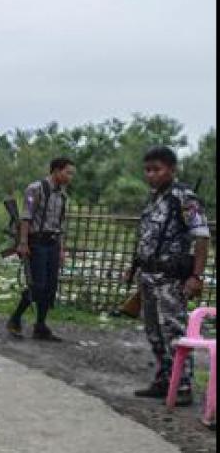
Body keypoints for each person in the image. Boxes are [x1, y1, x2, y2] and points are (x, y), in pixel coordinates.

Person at [123, 146, 210, 406]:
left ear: (172, 170)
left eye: (157, 170)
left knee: (174, 331)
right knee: (153, 332)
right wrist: (134, 265)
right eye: (147, 170)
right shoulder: (154, 198)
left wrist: (196, 275)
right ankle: (164, 380)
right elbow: (147, 236)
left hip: (171, 278)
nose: (151, 175)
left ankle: (182, 386)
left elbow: (202, 237)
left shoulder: (184, 197)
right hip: (148, 275)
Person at [6, 157, 76, 341]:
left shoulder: (62, 195)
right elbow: (26, 217)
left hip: (52, 243)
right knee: (37, 285)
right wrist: (23, 243)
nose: (70, 177)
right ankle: (15, 318)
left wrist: (61, 249)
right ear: (56, 171)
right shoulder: (35, 189)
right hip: (37, 242)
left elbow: (60, 224)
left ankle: (40, 325)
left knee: (50, 287)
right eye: (68, 172)